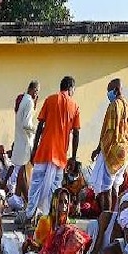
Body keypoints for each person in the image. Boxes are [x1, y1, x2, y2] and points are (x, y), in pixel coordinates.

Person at [27, 76, 81, 223]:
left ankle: (30, 215)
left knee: (36, 184)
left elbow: (40, 127)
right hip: (60, 156)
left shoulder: (50, 100)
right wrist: (74, 157)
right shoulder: (75, 106)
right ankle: (49, 218)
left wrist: (34, 149)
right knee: (55, 189)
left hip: (43, 151)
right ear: (70, 88)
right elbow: (76, 133)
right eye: (74, 89)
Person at [88, 78, 128, 210]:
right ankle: (114, 215)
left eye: (109, 91)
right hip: (125, 153)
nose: (108, 94)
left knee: (106, 188)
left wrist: (99, 149)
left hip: (113, 152)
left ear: (116, 90)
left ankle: (107, 216)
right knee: (116, 186)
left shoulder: (114, 105)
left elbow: (108, 131)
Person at [33, 187, 73, 252]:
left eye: (66, 202)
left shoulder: (67, 223)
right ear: (54, 203)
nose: (63, 205)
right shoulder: (45, 221)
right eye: (60, 202)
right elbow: (41, 246)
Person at [12, 81, 40, 169]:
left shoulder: (22, 99)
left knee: (16, 170)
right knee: (23, 171)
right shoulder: (29, 102)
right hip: (25, 143)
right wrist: (36, 131)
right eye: (37, 91)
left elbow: (25, 117)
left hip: (18, 141)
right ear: (34, 90)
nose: (37, 94)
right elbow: (26, 125)